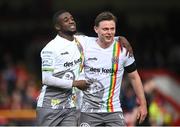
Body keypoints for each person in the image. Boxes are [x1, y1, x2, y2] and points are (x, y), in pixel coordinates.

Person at [36, 10, 133, 126]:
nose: (71, 21)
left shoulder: (80, 42)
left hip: (70, 107)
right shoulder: (50, 48)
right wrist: (75, 83)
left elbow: (98, 38)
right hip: (49, 106)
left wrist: (119, 38)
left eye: (72, 18)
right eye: (66, 20)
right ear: (58, 26)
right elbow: (46, 79)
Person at [78, 11, 147, 126]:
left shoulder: (123, 50)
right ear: (96, 29)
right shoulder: (85, 44)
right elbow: (66, 37)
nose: (109, 32)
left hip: (113, 111)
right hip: (88, 112)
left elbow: (134, 77)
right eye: (105, 29)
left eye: (112, 29)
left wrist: (143, 104)